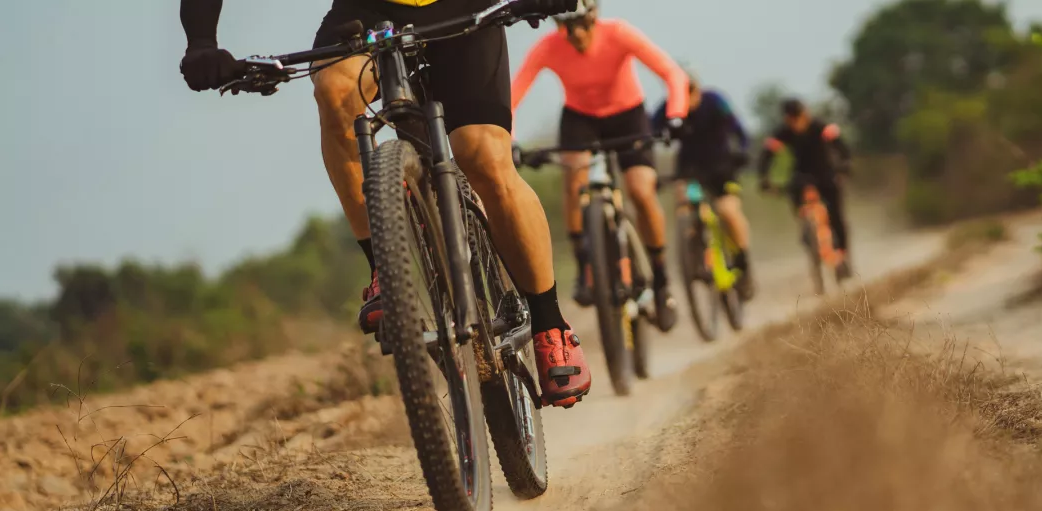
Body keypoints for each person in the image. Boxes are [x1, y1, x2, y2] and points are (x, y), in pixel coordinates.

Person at [176, 0, 592, 408]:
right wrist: (200, 41)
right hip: (368, 9)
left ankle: (550, 325)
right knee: (335, 94)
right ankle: (384, 271)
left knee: (483, 154)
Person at [510, 0, 689, 332]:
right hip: (581, 119)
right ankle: (583, 264)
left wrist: (676, 114)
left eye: (581, 24)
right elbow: (513, 94)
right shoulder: (547, 47)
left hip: (628, 115)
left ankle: (661, 278)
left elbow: (671, 72)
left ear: (594, 17)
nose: (575, 33)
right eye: (565, 26)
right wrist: (511, 140)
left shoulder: (619, 33)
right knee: (573, 173)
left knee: (639, 189)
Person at [651, 77, 755, 300]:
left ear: (697, 88)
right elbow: (649, 137)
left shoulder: (714, 101)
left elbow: (738, 129)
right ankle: (694, 252)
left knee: (727, 211)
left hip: (722, 167)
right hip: (689, 169)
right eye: (679, 91)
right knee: (683, 203)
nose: (686, 97)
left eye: (690, 90)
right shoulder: (667, 109)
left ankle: (743, 262)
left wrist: (743, 151)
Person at [757, 98, 854, 278]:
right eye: (791, 119)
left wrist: (845, 165)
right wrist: (764, 177)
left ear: (805, 114)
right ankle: (807, 227)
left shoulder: (820, 127)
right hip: (801, 175)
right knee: (794, 192)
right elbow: (767, 155)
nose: (796, 123)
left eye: (798, 117)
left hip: (825, 173)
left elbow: (841, 146)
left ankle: (843, 256)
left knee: (837, 216)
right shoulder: (783, 133)